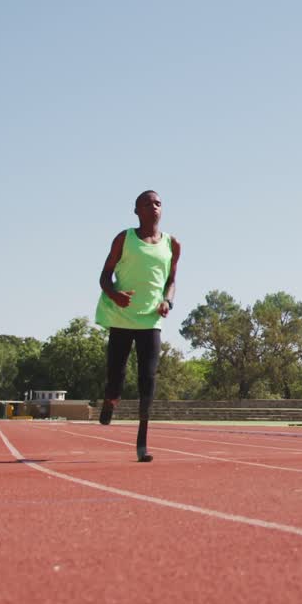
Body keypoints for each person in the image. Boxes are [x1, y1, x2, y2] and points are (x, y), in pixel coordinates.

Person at [94, 190, 181, 462]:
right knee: (116, 376)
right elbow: (105, 276)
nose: (153, 207)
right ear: (136, 211)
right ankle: (110, 400)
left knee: (148, 377)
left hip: (151, 319)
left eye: (157, 203)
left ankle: (142, 442)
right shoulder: (125, 239)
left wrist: (168, 301)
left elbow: (172, 281)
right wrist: (115, 294)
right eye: (147, 203)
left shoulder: (172, 244)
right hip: (122, 317)